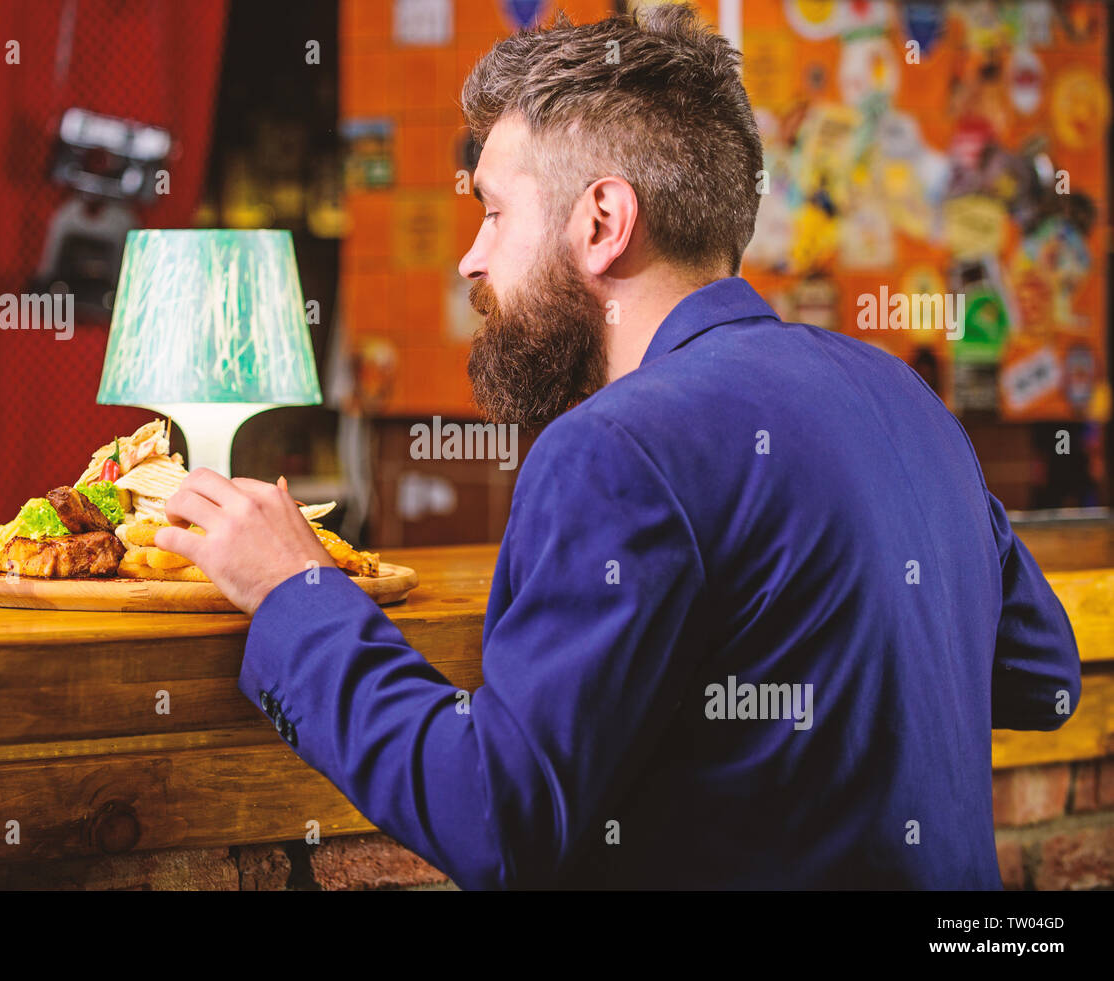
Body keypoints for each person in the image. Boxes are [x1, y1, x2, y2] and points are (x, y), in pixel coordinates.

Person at [158, 5, 1081, 889]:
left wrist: (292, 591)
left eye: (493, 213)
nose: (471, 259)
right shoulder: (901, 395)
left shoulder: (614, 449)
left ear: (602, 221)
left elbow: (497, 817)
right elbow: (1043, 681)